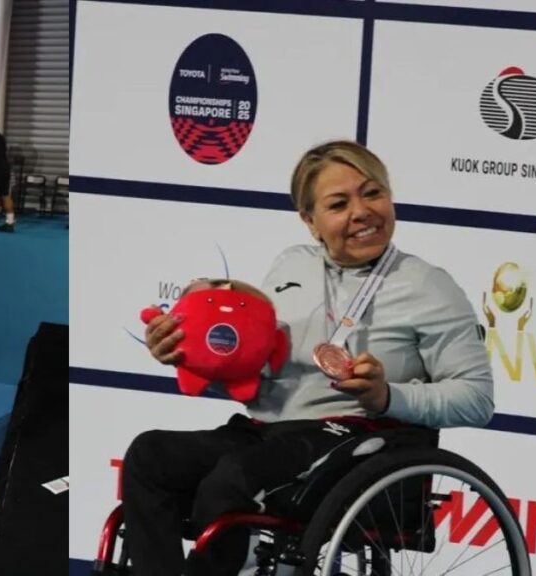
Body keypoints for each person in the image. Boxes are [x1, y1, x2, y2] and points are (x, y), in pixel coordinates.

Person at [121, 140, 494, 576]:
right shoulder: (289, 267)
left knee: (231, 482)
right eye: (339, 204)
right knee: (150, 456)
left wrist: (387, 396)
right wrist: (186, 354)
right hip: (264, 430)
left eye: (372, 193)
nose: (362, 211)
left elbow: (476, 398)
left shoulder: (428, 286)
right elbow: (254, 373)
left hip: (355, 438)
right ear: (310, 221)